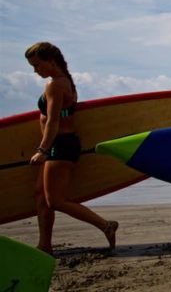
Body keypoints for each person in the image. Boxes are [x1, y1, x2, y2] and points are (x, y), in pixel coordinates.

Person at [25, 42, 118, 254]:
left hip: (60, 145)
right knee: (41, 196)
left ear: (51, 61)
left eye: (37, 65)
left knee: (55, 200)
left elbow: (53, 121)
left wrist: (42, 149)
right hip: (60, 144)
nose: (35, 70)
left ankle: (106, 225)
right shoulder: (65, 82)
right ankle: (45, 245)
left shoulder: (56, 85)